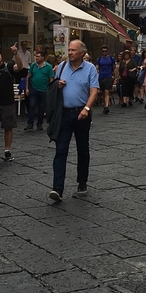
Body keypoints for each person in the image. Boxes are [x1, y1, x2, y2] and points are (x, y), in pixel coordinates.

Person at [48, 39, 99, 204]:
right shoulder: (62, 67)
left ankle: (82, 183)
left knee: (82, 149)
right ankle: (57, 188)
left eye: (73, 50)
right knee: (60, 150)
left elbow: (94, 91)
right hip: (64, 114)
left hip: (81, 114)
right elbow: (53, 86)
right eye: (68, 50)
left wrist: (87, 109)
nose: (69, 53)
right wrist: (58, 85)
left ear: (82, 53)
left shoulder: (90, 69)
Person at [0, 45, 22, 162]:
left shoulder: (9, 67)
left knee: (8, 127)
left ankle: (7, 150)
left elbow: (20, 67)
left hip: (8, 103)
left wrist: (16, 54)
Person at [25, 48, 54, 131]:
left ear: (43, 57)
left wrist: (50, 90)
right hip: (34, 88)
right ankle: (30, 123)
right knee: (32, 105)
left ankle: (39, 123)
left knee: (42, 107)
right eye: (36, 56)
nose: (36, 58)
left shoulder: (48, 67)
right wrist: (27, 88)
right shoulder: (33, 65)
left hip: (44, 89)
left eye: (38, 56)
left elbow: (51, 79)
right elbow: (28, 77)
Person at [95, 44, 117, 114]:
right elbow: (97, 68)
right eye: (103, 51)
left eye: (105, 51)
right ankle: (105, 105)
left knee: (107, 91)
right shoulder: (99, 59)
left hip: (108, 76)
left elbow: (114, 68)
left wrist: (116, 77)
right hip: (101, 77)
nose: (104, 52)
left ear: (108, 51)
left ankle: (106, 106)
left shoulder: (111, 59)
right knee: (103, 92)